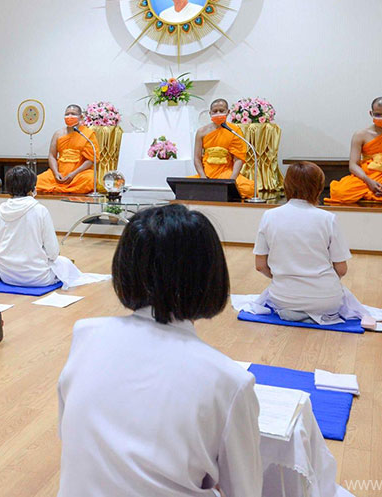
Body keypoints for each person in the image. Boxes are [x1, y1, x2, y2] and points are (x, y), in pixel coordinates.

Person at [57, 204, 262, 497]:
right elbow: (246, 490)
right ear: (210, 275)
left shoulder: (86, 334)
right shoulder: (229, 381)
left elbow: (72, 437)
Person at [249, 162, 381, 324]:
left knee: (275, 298)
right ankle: (313, 313)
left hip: (282, 298)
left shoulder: (269, 216)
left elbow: (260, 265)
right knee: (342, 298)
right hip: (326, 300)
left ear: (285, 186)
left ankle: (295, 312)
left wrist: (281, 278)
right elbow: (341, 269)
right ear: (319, 188)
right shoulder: (328, 219)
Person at [0, 166, 103, 288]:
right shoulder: (39, 210)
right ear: (32, 187)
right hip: (38, 278)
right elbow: (53, 253)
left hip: (7, 276)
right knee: (64, 262)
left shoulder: (0, 210)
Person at [190, 98, 255, 199]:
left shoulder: (234, 130)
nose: (218, 113)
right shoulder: (202, 132)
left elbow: (238, 158)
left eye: (222, 111)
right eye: (215, 111)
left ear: (228, 112)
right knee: (185, 187)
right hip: (206, 174)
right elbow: (197, 158)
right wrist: (203, 177)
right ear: (210, 113)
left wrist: (232, 180)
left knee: (250, 188)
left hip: (226, 173)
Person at [36, 104, 98, 194]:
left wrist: (73, 174)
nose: (69, 116)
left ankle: (66, 189)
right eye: (67, 114)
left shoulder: (87, 134)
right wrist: (56, 173)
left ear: (81, 117)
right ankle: (61, 186)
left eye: (73, 114)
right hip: (60, 173)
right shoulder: (58, 134)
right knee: (39, 180)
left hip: (79, 174)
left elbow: (91, 160)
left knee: (90, 179)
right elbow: (52, 156)